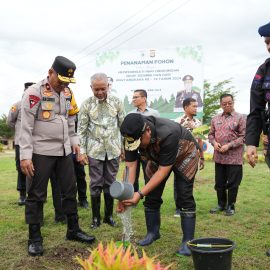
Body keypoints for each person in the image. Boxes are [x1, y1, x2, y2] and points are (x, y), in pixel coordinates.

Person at [19, 56, 95, 256]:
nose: (63, 85)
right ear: (50, 72)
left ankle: (73, 229)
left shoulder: (67, 93)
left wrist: (75, 143)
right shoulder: (34, 93)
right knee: (36, 194)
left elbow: (70, 121)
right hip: (40, 152)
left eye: (67, 81)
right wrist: (25, 155)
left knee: (70, 191)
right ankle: (34, 237)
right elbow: (25, 127)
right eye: (60, 80)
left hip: (64, 151)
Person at [118, 113, 200, 256]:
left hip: (185, 153)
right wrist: (125, 195)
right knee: (152, 195)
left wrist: (140, 193)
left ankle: (188, 241)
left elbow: (163, 171)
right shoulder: (130, 137)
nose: (138, 147)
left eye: (140, 143)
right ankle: (152, 233)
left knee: (184, 196)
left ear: (148, 131)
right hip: (155, 155)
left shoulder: (168, 133)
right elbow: (130, 167)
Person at [78, 73, 125, 229]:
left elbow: (123, 127)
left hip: (113, 149)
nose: (99, 92)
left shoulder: (117, 102)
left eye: (102, 89)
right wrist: (82, 151)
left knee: (111, 183)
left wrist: (124, 148)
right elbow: (82, 129)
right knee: (95, 183)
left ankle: (108, 216)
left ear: (108, 87)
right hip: (94, 151)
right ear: (91, 88)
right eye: (96, 89)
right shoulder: (86, 104)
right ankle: (96, 218)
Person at [246, 21, 270, 257]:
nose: (269, 47)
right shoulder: (263, 70)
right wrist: (251, 142)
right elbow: (256, 110)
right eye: (267, 43)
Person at [208, 94, 246, 216]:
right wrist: (214, 143)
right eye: (224, 104)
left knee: (233, 183)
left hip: (234, 157)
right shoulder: (215, 118)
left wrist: (229, 145)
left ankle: (231, 205)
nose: (227, 105)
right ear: (221, 104)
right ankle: (221, 204)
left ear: (233, 102)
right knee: (219, 182)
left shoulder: (241, 118)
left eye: (230, 103)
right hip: (219, 157)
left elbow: (243, 137)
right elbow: (211, 135)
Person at [173, 97, 205, 217]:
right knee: (178, 182)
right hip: (179, 157)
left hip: (193, 157)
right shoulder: (178, 121)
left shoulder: (198, 123)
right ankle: (178, 207)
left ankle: (187, 206)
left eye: (197, 106)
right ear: (186, 107)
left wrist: (202, 157)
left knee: (188, 182)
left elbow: (200, 141)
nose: (196, 108)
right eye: (194, 106)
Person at [7, 82, 35, 205]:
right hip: (20, 143)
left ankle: (34, 194)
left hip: (35, 143)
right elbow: (9, 122)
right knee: (22, 169)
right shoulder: (17, 106)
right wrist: (20, 131)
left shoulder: (38, 105)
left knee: (36, 169)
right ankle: (22, 195)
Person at [128, 89, 160, 192]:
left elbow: (158, 131)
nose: (133, 99)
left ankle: (150, 198)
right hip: (133, 150)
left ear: (144, 98)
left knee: (149, 174)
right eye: (133, 97)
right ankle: (132, 197)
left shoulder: (154, 113)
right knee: (132, 175)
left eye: (135, 97)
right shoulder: (130, 114)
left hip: (149, 151)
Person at [74, 114, 89, 209]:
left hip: (78, 150)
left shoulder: (79, 116)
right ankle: (71, 200)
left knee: (80, 175)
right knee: (68, 178)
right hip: (66, 150)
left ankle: (83, 199)